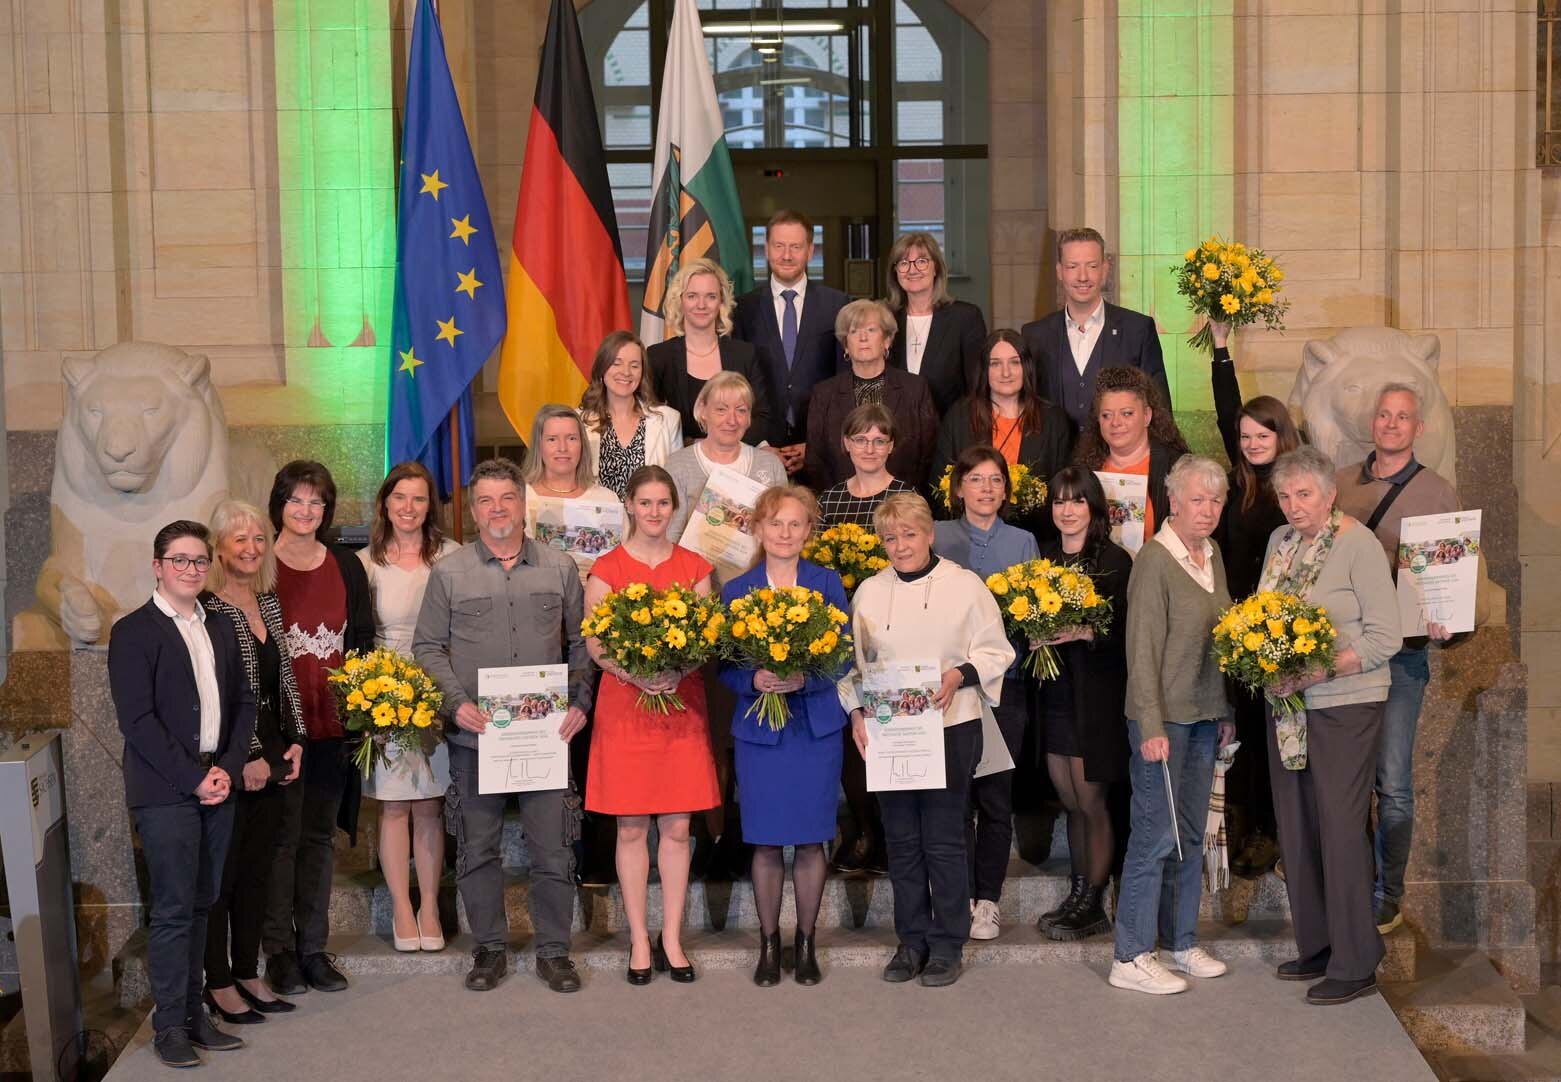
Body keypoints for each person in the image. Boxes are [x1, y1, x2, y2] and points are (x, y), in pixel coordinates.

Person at [412, 457, 592, 994]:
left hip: (546, 737)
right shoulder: (449, 572)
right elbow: (425, 646)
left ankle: (554, 951)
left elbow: (583, 643)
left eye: (506, 499)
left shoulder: (559, 567)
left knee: (553, 848)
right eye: (485, 500)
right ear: (473, 507)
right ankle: (489, 948)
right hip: (476, 737)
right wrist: (455, 704)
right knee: (477, 847)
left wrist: (581, 701)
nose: (497, 509)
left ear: (522, 504)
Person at [847, 493, 1015, 987]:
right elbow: (854, 667)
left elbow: (996, 650)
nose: (900, 546)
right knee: (900, 841)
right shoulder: (870, 592)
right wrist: (856, 713)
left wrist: (960, 673)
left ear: (930, 534)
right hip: (891, 731)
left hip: (952, 725)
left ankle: (946, 943)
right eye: (890, 537)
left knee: (943, 839)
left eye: (910, 534)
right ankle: (911, 939)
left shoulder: (965, 587)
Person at [109, 520, 255, 1068]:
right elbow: (138, 721)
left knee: (202, 903)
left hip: (218, 783)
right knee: (172, 910)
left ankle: (196, 1016)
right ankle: (168, 1024)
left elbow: (243, 702)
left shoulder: (221, 624)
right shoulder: (134, 632)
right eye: (180, 561)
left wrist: (228, 769)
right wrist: (194, 777)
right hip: (166, 789)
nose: (191, 570)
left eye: (198, 561)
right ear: (158, 566)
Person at [1262, 445, 1402, 1005]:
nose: (1294, 506)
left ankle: (1357, 959)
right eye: (1285, 495)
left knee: (1342, 829)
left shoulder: (1357, 545)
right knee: (1297, 828)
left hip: (1346, 703)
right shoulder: (1279, 543)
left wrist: (1321, 668)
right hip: (1289, 707)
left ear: (1330, 495)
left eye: (1305, 494)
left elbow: (1385, 638)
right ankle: (1318, 944)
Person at [1333, 384, 1461, 935]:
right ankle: (1347, 880)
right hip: (1348, 655)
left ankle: (1389, 891)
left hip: (1404, 659)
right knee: (1345, 780)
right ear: (1373, 422)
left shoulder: (1438, 493)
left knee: (1395, 785)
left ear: (1418, 428)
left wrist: (1446, 625)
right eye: (1383, 414)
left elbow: (1453, 586)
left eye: (1402, 416)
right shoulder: (1340, 484)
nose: (1390, 424)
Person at [585, 465, 721, 984]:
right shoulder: (607, 567)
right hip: (627, 707)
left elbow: (705, 636)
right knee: (632, 826)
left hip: (680, 707)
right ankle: (640, 939)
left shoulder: (694, 565)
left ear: (675, 508)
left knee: (679, 827)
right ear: (630, 506)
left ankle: (672, 937)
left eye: (664, 503)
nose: (655, 512)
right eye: (646, 503)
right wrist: (635, 674)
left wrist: (676, 669)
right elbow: (596, 644)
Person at [716, 484, 850, 986]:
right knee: (767, 843)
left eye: (796, 524)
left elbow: (842, 655)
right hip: (760, 735)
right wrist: (753, 680)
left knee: (813, 840)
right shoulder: (737, 590)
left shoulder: (827, 582)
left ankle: (807, 941)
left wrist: (804, 679)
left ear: (809, 531)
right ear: (758, 528)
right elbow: (725, 667)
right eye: (776, 524)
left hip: (814, 728)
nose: (786, 533)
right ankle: (770, 943)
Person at [1110, 456, 1234, 996]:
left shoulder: (1214, 554)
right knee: (1154, 838)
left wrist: (1225, 710)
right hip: (1163, 724)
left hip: (1204, 719)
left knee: (1188, 837)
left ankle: (1180, 942)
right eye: (1198, 500)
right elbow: (1141, 653)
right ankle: (1130, 956)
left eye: (1217, 500)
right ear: (1174, 503)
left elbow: (1222, 638)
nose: (1208, 511)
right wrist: (1152, 724)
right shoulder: (1155, 561)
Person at [263, 460, 374, 996]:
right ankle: (278, 952)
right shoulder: (260, 564)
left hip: (333, 727)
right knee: (280, 841)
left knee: (318, 840)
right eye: (296, 500)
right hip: (282, 730)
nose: (307, 511)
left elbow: (363, 640)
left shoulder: (346, 565)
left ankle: (312, 948)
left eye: (316, 502)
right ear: (278, 505)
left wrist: (362, 709)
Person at [200, 502, 305, 1025]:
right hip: (231, 756)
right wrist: (247, 757)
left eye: (258, 539)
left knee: (258, 873)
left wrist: (297, 739)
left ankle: (247, 971)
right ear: (218, 547)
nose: (250, 549)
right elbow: (217, 697)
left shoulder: (268, 600)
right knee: (224, 874)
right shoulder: (205, 607)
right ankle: (216, 982)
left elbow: (283, 675)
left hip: (275, 750)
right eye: (239, 539)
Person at [932, 447, 1039, 941]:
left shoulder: (1022, 541)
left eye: (995, 480)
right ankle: (956, 896)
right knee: (953, 799)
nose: (986, 489)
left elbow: (1034, 612)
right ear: (958, 489)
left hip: (1003, 689)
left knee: (995, 798)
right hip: (946, 689)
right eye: (975, 480)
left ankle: (988, 901)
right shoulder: (937, 535)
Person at [1209, 319, 1301, 878]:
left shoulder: (1291, 489)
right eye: (1245, 438)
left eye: (1261, 436)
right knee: (1238, 730)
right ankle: (1242, 827)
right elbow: (1227, 413)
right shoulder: (1235, 483)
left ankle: (1270, 832)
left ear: (1281, 437)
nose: (1250, 443)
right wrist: (1219, 349)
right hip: (1237, 630)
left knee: (1272, 734)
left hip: (1280, 635)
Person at [357, 462, 461, 953]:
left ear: (430, 506)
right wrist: (370, 696)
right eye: (400, 497)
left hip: (438, 686)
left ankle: (429, 906)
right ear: (385, 503)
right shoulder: (365, 563)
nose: (408, 507)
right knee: (395, 805)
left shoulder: (452, 557)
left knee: (430, 804)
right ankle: (402, 905)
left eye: (418, 499)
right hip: (384, 694)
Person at [1033, 468, 1132, 941]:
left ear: (1093, 507)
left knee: (1092, 801)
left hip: (1095, 698)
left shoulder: (1114, 560)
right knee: (1070, 801)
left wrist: (1086, 631)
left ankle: (1094, 900)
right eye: (1058, 502)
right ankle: (1077, 892)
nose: (1066, 511)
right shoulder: (1045, 558)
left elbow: (1130, 634)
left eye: (1076, 502)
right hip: (1054, 695)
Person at [1020, 227, 1171, 435]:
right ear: (1059, 271)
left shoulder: (1137, 330)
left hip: (1118, 463)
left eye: (1092, 266)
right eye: (1072, 266)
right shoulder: (1035, 335)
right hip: (1055, 464)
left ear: (1105, 269)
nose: (1083, 277)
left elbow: (1160, 410)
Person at [732, 209, 849, 475]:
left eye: (796, 247)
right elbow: (737, 383)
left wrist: (817, 444)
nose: (786, 255)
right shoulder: (743, 309)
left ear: (810, 250)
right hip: (759, 450)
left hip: (821, 451)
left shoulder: (837, 305)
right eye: (779, 246)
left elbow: (844, 384)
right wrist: (759, 443)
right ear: (766, 249)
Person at [932, 329, 1075, 541]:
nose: (1005, 372)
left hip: (1036, 539)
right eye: (995, 363)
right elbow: (940, 484)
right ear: (984, 370)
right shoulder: (959, 417)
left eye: (1014, 363)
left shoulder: (1054, 420)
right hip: (967, 540)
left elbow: (1063, 488)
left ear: (1026, 367)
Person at [805, 299, 939, 490]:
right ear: (845, 345)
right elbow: (816, 461)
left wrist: (906, 497)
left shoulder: (915, 388)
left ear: (887, 341)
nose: (863, 338)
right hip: (841, 504)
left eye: (871, 330)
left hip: (902, 503)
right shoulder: (824, 393)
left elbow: (928, 454)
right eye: (854, 331)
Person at [648, 257, 779, 448]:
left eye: (711, 296)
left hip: (737, 464)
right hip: (680, 464)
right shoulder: (658, 357)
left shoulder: (744, 354)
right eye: (692, 296)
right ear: (680, 301)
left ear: (721, 303)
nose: (701, 305)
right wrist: (698, 448)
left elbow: (762, 417)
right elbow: (652, 423)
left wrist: (722, 447)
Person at [664, 371, 787, 543]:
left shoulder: (770, 465)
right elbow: (670, 537)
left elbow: (782, 533)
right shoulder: (677, 465)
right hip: (693, 568)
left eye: (741, 410)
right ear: (702, 411)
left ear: (749, 418)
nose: (732, 420)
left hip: (757, 568)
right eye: (721, 409)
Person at [1072, 366, 1189, 547]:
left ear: (1147, 416)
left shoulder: (1177, 466)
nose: (1116, 423)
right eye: (1106, 415)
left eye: (1127, 413)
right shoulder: (1085, 469)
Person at [884, 231, 987, 415]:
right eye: (904, 263)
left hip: (948, 432)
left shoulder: (965, 318)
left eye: (922, 261)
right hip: (892, 434)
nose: (912, 270)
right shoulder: (884, 317)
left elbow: (977, 388)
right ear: (895, 272)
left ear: (936, 268)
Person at [578, 331, 684, 498]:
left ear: (642, 372)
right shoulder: (578, 422)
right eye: (617, 363)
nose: (626, 372)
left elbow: (676, 486)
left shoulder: (668, 420)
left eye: (634, 365)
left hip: (649, 521)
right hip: (593, 522)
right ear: (602, 368)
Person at [521, 404, 620, 577]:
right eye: (552, 439)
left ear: (583, 444)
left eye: (571, 438)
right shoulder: (520, 497)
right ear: (539, 445)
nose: (562, 448)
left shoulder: (607, 499)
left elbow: (619, 562)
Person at [817, 403, 917, 526]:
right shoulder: (828, 500)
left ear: (890, 446)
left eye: (879, 441)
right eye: (860, 440)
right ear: (847, 443)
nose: (869, 450)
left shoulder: (908, 497)